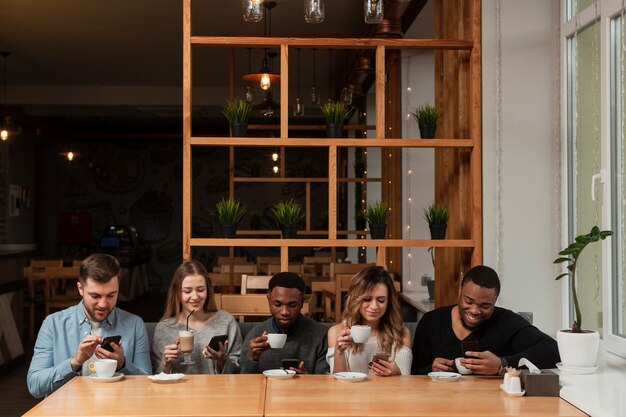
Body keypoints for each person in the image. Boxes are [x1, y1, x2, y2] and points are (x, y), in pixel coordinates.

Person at [27, 254, 151, 398]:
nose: (103, 304)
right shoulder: (53, 324)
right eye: (95, 296)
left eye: (111, 295)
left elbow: (147, 384)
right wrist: (74, 363)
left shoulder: (135, 324)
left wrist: (123, 364)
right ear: (80, 289)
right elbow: (35, 386)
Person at [411, 265, 560, 375]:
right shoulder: (431, 321)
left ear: (495, 301)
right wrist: (431, 369)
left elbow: (553, 350)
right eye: (468, 301)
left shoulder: (505, 321)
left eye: (485, 306)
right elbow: (414, 372)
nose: (474, 311)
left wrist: (502, 364)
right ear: (460, 291)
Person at [151, 260, 241, 374]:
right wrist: (166, 364)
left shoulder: (226, 322)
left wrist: (222, 360)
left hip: (218, 390)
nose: (195, 296)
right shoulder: (164, 328)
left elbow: (239, 370)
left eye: (200, 290)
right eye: (187, 291)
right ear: (177, 293)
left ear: (208, 290)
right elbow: (155, 375)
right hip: (178, 391)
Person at [327, 266, 412, 376]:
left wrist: (397, 374)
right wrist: (339, 352)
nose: (374, 306)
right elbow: (338, 384)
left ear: (389, 302)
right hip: (350, 393)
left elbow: (406, 385)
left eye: (381, 300)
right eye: (366, 299)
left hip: (387, 393)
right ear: (355, 299)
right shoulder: (336, 332)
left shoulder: (401, 333)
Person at [239, 272, 329, 374]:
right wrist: (251, 359)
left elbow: (326, 384)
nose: (284, 312)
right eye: (277, 304)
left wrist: (308, 380)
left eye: (292, 305)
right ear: (269, 300)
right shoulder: (255, 334)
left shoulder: (320, 336)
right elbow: (243, 383)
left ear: (302, 302)